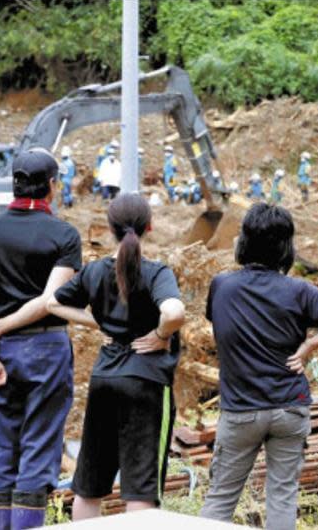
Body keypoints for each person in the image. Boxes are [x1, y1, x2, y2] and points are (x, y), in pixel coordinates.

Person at [200, 203, 318, 530]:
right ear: (286, 246)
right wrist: (309, 345)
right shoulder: (299, 290)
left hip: (240, 411)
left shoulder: (222, 285)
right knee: (282, 493)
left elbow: (214, 322)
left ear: (244, 241)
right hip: (289, 408)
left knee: (221, 496)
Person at [47, 193, 186, 519]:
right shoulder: (155, 272)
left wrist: (97, 322)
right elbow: (174, 311)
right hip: (146, 384)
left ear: (110, 228)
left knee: (89, 485)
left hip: (104, 379)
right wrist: (160, 335)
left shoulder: (94, 271)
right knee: (139, 489)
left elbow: (52, 303)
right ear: (150, 227)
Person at [0, 148, 82, 530]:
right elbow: (51, 301)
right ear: (51, 185)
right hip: (46, 349)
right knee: (38, 448)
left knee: (4, 447)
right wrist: (6, 326)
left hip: (2, 355)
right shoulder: (64, 235)